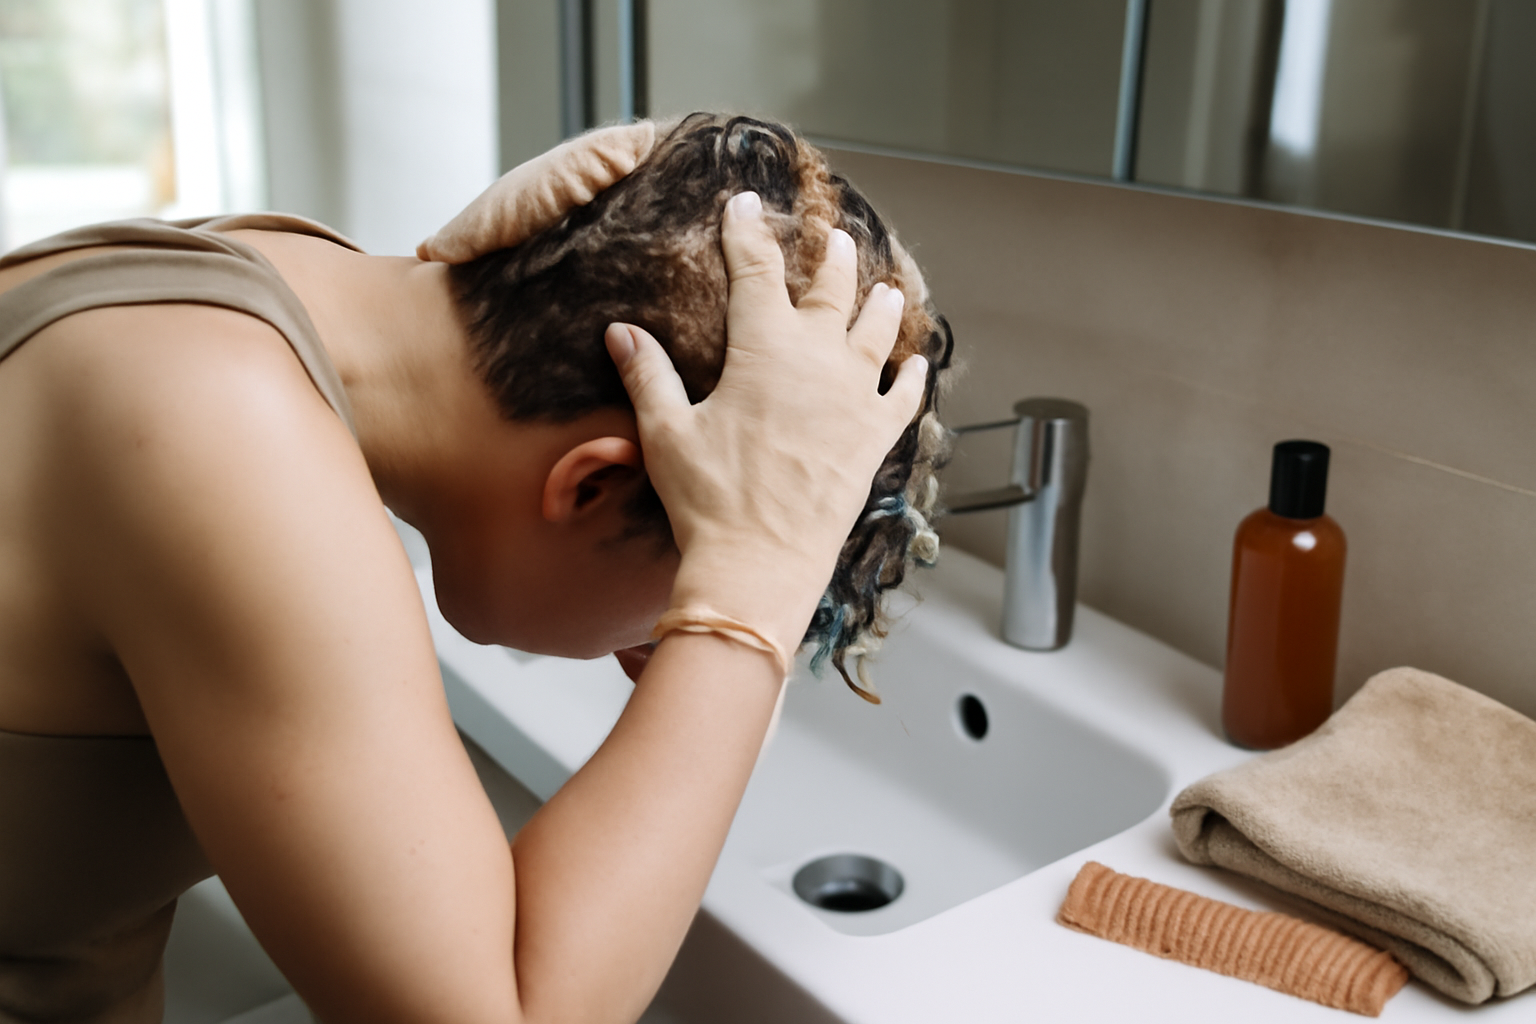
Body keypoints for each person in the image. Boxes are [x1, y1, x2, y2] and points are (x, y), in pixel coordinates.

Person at [0, 113, 951, 1023]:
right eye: (671, 600)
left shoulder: (273, 275)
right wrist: (747, 603)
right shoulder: (223, 419)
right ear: (592, 487)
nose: (652, 646)